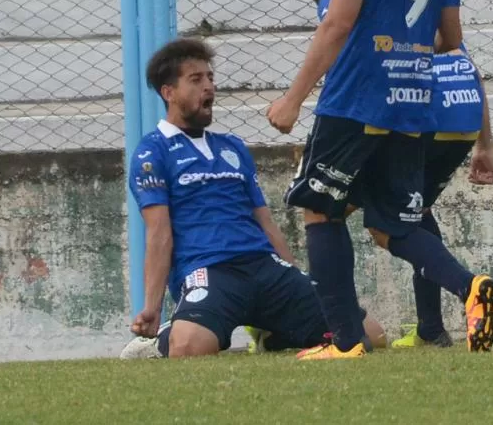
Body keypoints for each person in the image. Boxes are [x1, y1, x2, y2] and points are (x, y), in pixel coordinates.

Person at [267, 0, 493, 359]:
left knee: (318, 211)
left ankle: (345, 342)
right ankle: (470, 288)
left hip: (355, 101)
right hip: (411, 101)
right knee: (390, 224)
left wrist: (292, 100)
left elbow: (339, 22)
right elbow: (451, 37)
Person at [127, 38, 384, 357]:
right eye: (196, 80)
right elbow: (158, 233)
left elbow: (264, 220)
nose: (208, 87)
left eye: (210, 78)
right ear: (169, 92)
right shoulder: (152, 152)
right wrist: (151, 307)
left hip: (265, 266)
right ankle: (163, 338)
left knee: (370, 336)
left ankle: (272, 334)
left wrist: (294, 276)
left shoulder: (232, 147)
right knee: (189, 347)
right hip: (209, 269)